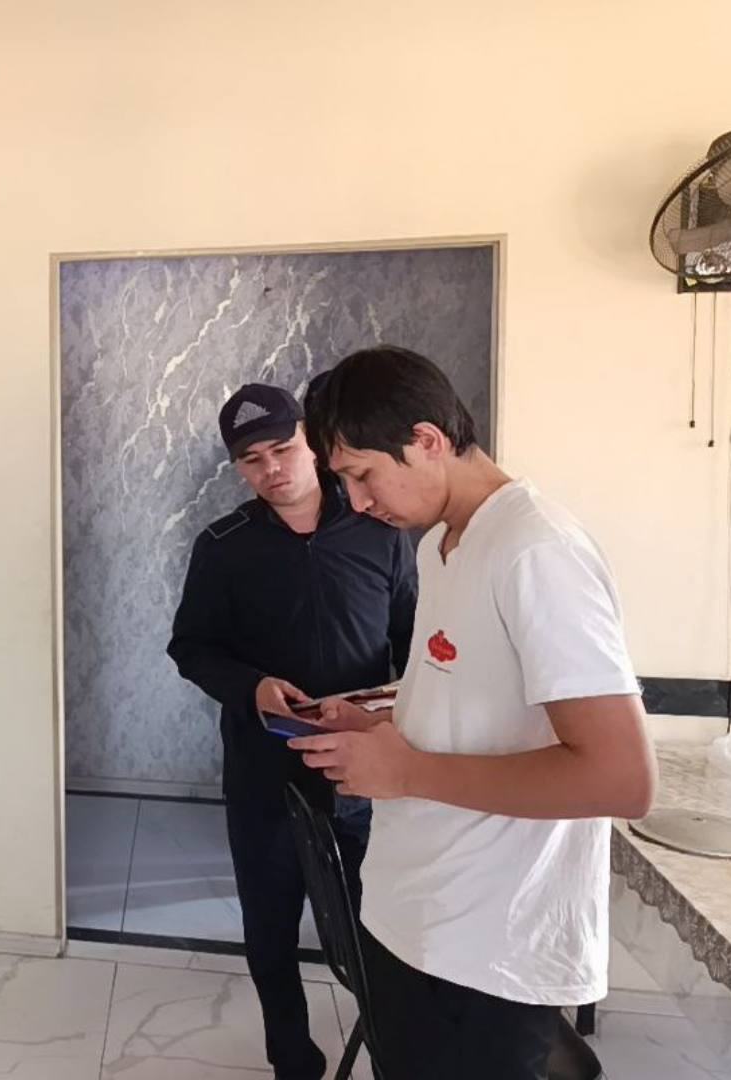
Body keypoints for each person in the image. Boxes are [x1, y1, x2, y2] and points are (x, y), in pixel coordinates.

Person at [295, 346, 656, 1080]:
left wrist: (407, 772)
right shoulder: (442, 546)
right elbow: (473, 701)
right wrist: (380, 726)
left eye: (363, 475)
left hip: (487, 947)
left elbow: (620, 778)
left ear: (427, 440)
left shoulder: (536, 549)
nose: (357, 503)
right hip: (415, 914)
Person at [167, 382, 416, 1080]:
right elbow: (191, 647)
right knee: (271, 926)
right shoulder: (223, 546)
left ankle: (393, 1048)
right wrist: (252, 687)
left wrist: (398, 720)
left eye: (282, 448)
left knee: (377, 922)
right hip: (265, 770)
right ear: (239, 469)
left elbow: (413, 641)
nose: (272, 468)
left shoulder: (379, 531)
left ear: (311, 442)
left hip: (363, 767)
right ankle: (293, 1060)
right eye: (252, 460)